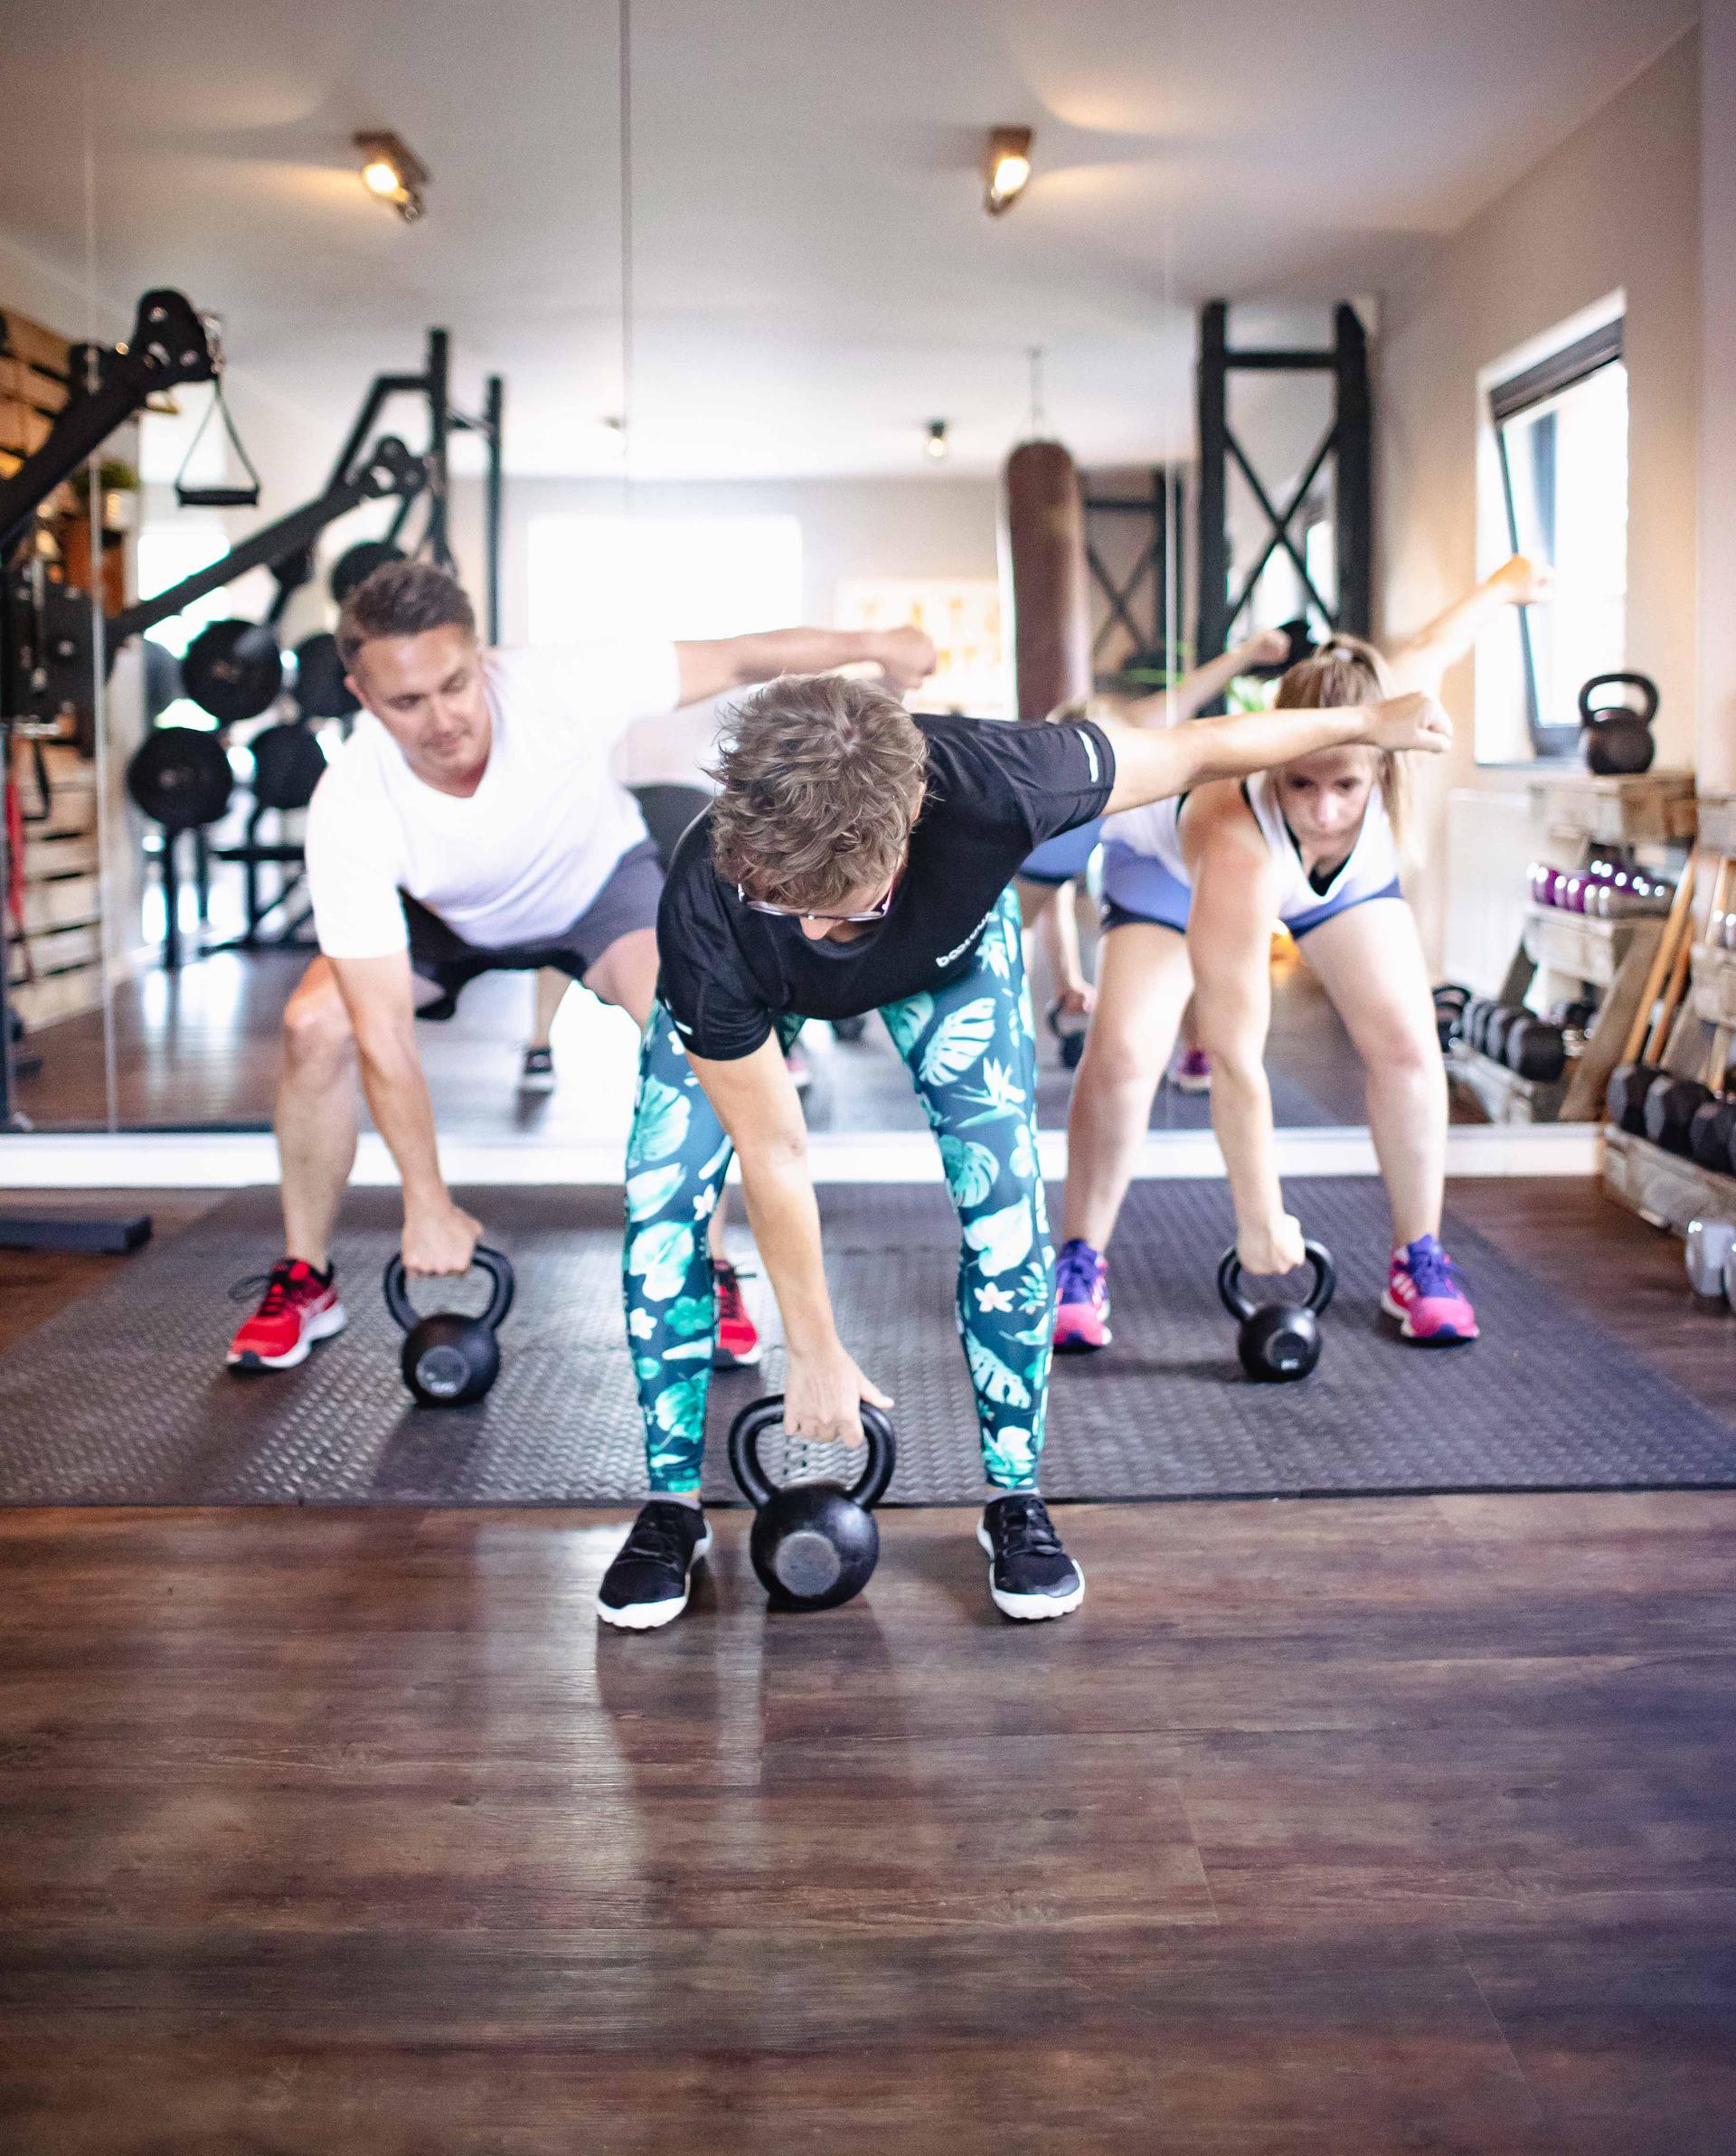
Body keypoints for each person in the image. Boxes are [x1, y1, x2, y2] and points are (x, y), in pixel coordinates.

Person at [595, 667, 1449, 1630]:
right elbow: (777, 1149)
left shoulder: (1003, 778)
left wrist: (1371, 721)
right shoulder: (712, 896)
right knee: (660, 1204)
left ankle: (1014, 1497)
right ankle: (671, 1502)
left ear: (911, 821)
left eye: (841, 904)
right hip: (740, 989)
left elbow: (1201, 747)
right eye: (787, 902)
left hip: (948, 967)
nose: (818, 933)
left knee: (1005, 1211)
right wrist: (816, 1346)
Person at [225, 559, 934, 1373]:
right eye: (406, 703)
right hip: (442, 916)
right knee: (313, 1025)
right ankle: (306, 1276)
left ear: (482, 659)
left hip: (594, 888)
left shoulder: (559, 684)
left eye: (456, 685)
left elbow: (739, 655)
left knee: (688, 1026)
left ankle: (710, 1266)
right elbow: (383, 1032)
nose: (442, 720)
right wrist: (425, 1201)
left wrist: (876, 643)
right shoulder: (350, 798)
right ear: (360, 695)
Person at [1051, 556, 1550, 1353]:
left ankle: (1418, 1258)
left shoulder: (1391, 705)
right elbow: (1237, 1054)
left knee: (1409, 1048)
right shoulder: (1238, 835)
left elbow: (1439, 640)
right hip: (1170, 876)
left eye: (1347, 787)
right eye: (1301, 784)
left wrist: (1506, 585)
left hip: (1341, 887)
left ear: (1382, 760)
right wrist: (1259, 1214)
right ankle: (1079, 1262)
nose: (1323, 810)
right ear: (1277, 761)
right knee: (1123, 1058)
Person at [1014, 628, 1294, 1071]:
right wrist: (1067, 978)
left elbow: (1187, 694)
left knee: (1200, 964)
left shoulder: (1136, 743)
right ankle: (1197, 1044)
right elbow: (1050, 897)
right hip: (1140, 869)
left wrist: (1249, 653)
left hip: (1182, 858)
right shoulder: (1060, 818)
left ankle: (1199, 1043)